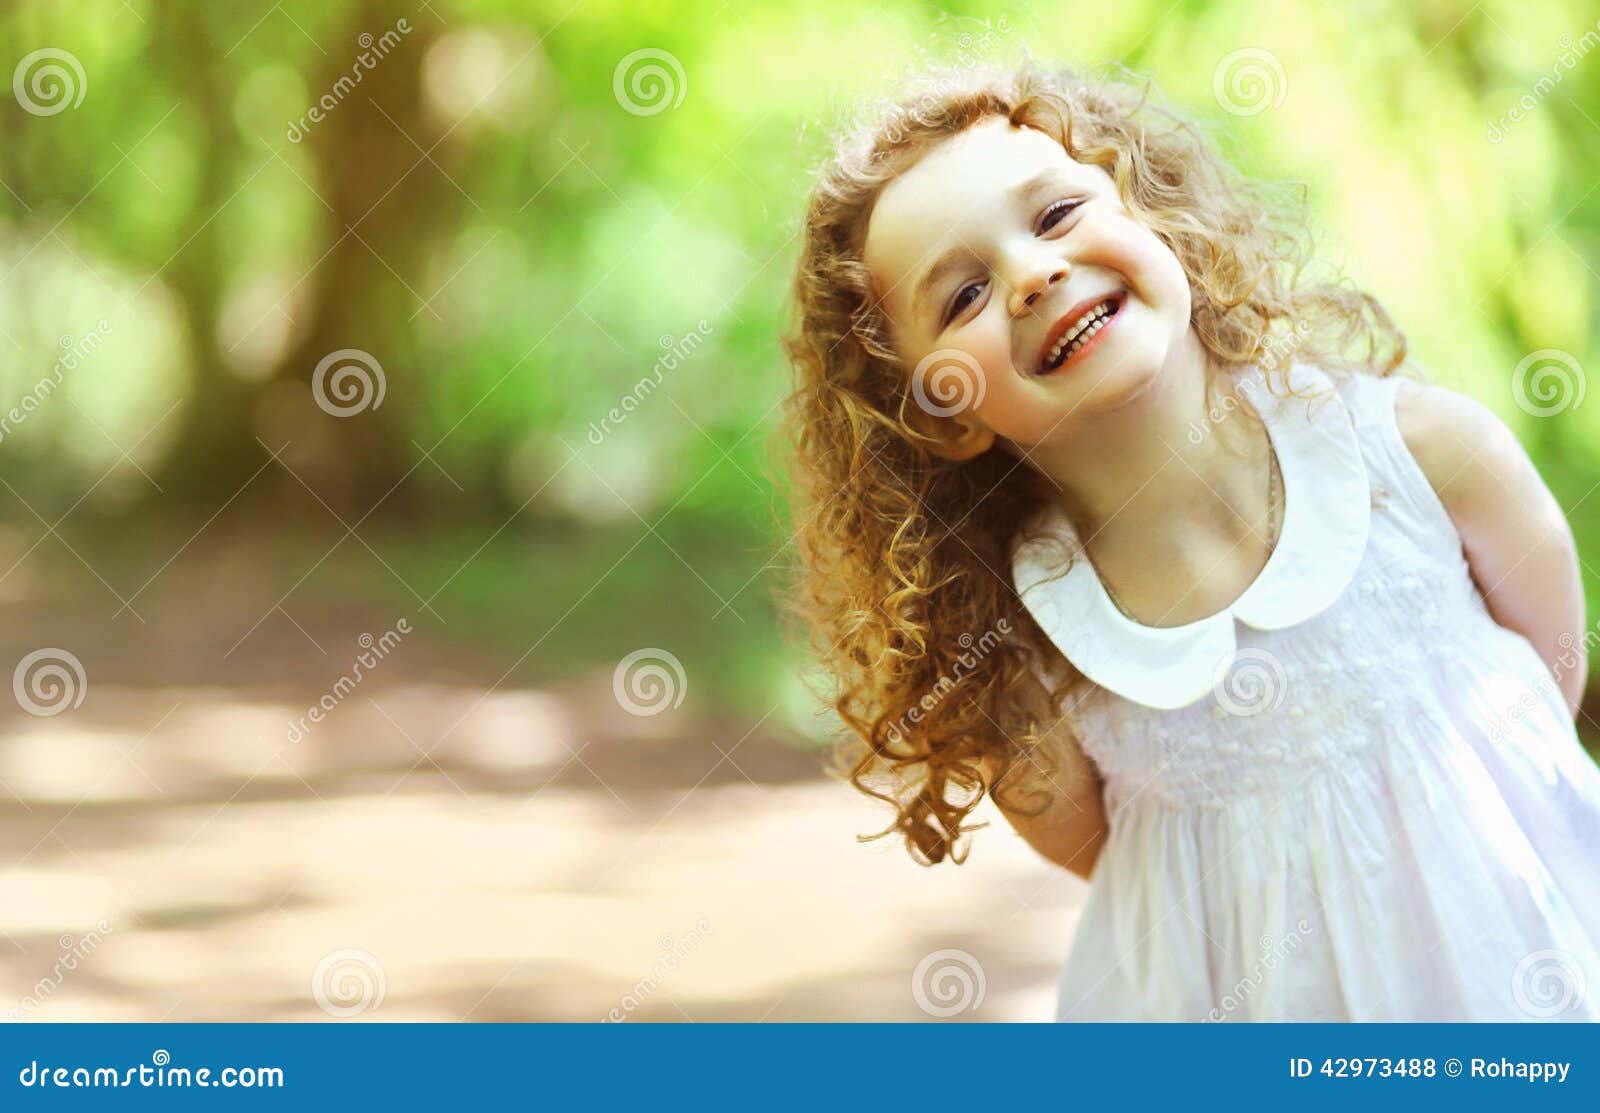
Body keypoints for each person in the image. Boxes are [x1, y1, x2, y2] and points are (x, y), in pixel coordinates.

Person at [780, 57, 1600, 1021]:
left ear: (1151, 216)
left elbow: (1549, 681)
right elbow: (1116, 866)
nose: (1036, 273)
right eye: (962, 296)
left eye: (1054, 216)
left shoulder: (1421, 454)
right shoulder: (1022, 656)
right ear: (942, 415)